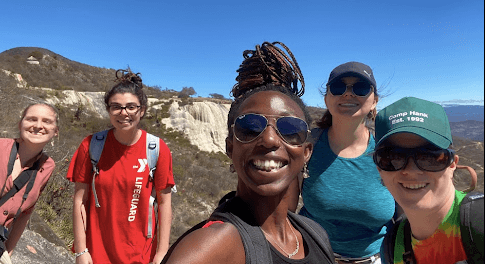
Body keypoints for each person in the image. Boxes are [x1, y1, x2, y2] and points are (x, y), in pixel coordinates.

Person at [162, 42, 335, 264]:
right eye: (250, 127)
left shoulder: (315, 234)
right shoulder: (210, 250)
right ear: (230, 147)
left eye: (290, 129)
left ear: (307, 152)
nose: (270, 139)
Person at [67, 69, 175, 264]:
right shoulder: (91, 145)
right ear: (108, 110)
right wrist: (81, 251)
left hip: (142, 254)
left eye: (131, 107)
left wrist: (162, 253)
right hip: (97, 253)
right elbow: (80, 201)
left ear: (141, 110)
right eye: (116, 107)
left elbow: (165, 204)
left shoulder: (157, 149)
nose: (123, 113)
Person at [298, 61, 396, 263]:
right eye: (338, 87)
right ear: (327, 98)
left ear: (374, 100)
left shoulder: (389, 152)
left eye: (360, 88)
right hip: (315, 255)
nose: (348, 94)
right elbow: (285, 210)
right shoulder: (307, 146)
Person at [374, 96, 483, 264]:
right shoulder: (392, 245)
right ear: (379, 168)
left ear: (452, 164)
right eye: (393, 157)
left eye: (429, 157)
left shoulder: (480, 224)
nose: (411, 170)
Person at [0, 103, 59, 264]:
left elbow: (25, 214)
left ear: (56, 131)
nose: (38, 126)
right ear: (20, 124)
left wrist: (8, 251)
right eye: (31, 119)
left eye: (47, 121)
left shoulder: (47, 166)